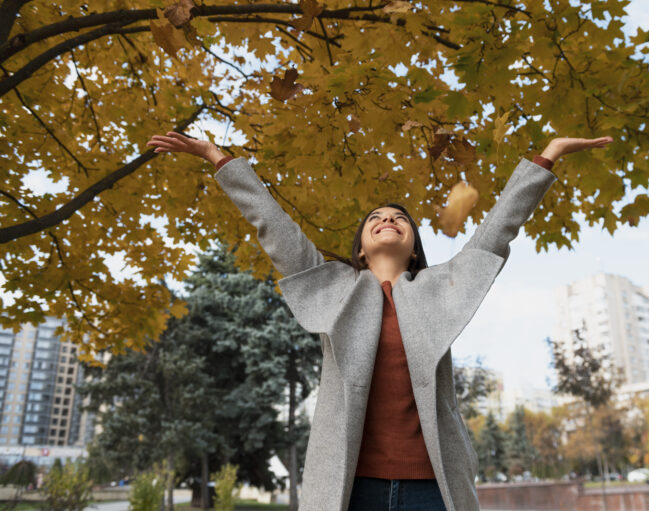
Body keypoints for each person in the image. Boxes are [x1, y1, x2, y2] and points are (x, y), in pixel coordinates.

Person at [147, 131, 612, 511]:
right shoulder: (336, 289)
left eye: (399, 218)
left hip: (434, 488)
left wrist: (547, 156)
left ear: (414, 249)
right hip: (351, 489)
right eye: (376, 217)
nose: (388, 218)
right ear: (359, 249)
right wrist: (218, 157)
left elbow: (495, 234)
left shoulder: (438, 290)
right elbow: (274, 225)